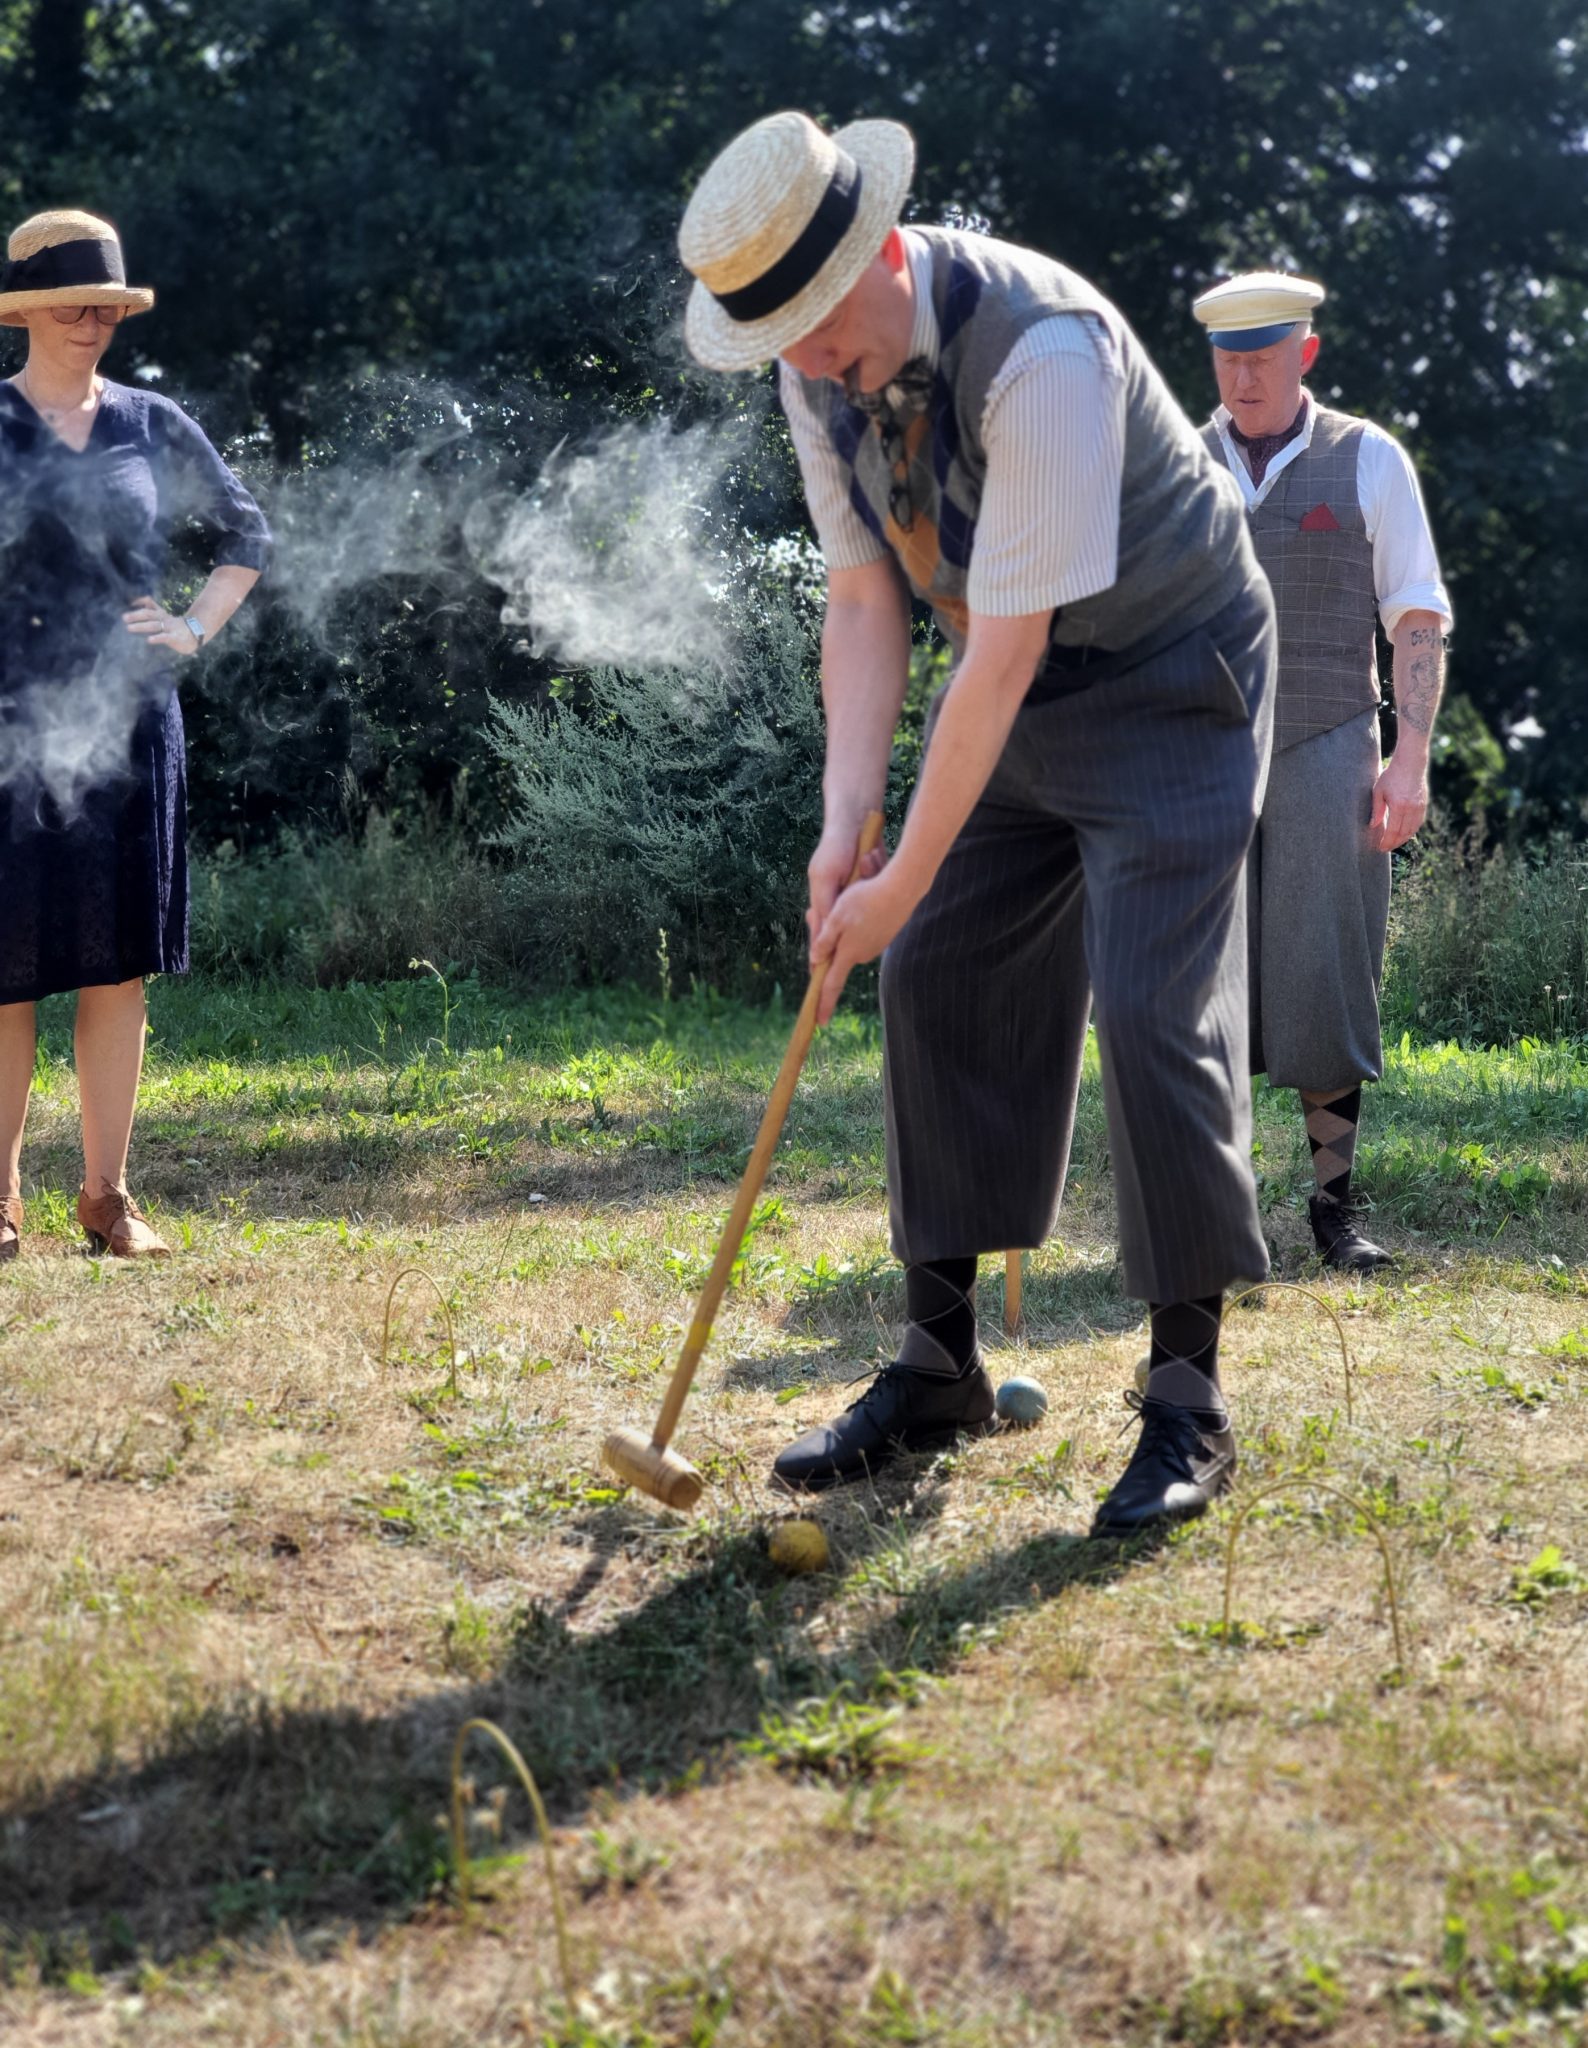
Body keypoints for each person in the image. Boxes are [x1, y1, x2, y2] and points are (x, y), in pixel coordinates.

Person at [678, 112, 1276, 1535]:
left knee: (1147, 1007)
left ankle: (1188, 1399)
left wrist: (903, 872)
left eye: (826, 323)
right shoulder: (813, 373)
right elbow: (869, 597)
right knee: (932, 965)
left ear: (886, 248)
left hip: (1165, 678)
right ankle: (938, 1367)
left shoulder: (1045, 351)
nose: (816, 360)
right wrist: (850, 825)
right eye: (787, 341)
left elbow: (1002, 657)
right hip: (1007, 687)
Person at [0, 209, 270, 1261]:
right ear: (25, 310)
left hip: (129, 733)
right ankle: (1, 1201)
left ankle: (108, 1200)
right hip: (12, 733)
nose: (92, 321)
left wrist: (195, 625)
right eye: (73, 303)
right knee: (8, 971)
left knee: (116, 969)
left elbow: (246, 535)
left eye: (107, 306)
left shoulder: (151, 421)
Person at [1192, 274, 1452, 1271]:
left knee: (1324, 977)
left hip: (1328, 743)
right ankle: (1219, 1212)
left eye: (1262, 356)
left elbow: (1415, 616)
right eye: (1227, 359)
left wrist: (1410, 758)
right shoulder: (1182, 463)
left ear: (1303, 353)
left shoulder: (1366, 457)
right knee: (1201, 990)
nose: (1244, 376)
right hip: (1201, 757)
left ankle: (1332, 1207)